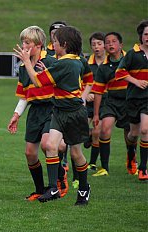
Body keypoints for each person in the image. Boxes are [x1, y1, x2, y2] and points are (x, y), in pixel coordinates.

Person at [14, 26, 91, 206]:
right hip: (58, 111)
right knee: (50, 145)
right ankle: (52, 187)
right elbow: (88, 78)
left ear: (63, 44)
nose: (52, 45)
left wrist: (83, 98)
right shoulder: (67, 61)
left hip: (73, 113)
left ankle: (84, 187)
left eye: (55, 42)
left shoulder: (66, 63)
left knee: (76, 153)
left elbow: (38, 81)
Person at [7, 26, 67, 201]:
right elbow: (25, 95)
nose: (23, 45)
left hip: (52, 108)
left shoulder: (49, 62)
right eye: (22, 42)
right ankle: (40, 189)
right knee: (30, 153)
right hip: (35, 111)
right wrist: (16, 115)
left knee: (47, 144)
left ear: (39, 45)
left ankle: (54, 186)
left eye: (27, 42)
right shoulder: (23, 67)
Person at [91, 32, 137, 177]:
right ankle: (104, 168)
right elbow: (98, 91)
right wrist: (96, 114)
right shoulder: (103, 67)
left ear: (120, 45)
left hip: (129, 101)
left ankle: (131, 157)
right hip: (111, 101)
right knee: (104, 128)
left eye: (114, 41)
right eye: (108, 42)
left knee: (130, 135)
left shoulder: (130, 60)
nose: (110, 44)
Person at [115, 20, 148, 180]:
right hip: (134, 98)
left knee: (145, 130)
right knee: (133, 134)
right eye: (146, 34)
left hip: (147, 100)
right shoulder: (132, 54)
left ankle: (143, 168)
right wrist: (136, 81)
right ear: (141, 36)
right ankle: (130, 153)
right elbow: (119, 72)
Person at [85, 32, 106, 172]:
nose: (96, 47)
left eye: (99, 44)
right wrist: (86, 95)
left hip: (104, 103)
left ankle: (92, 163)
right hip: (88, 103)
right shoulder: (87, 63)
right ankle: (88, 136)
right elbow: (82, 81)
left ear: (104, 45)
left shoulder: (110, 63)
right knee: (81, 129)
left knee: (97, 131)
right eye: (93, 44)